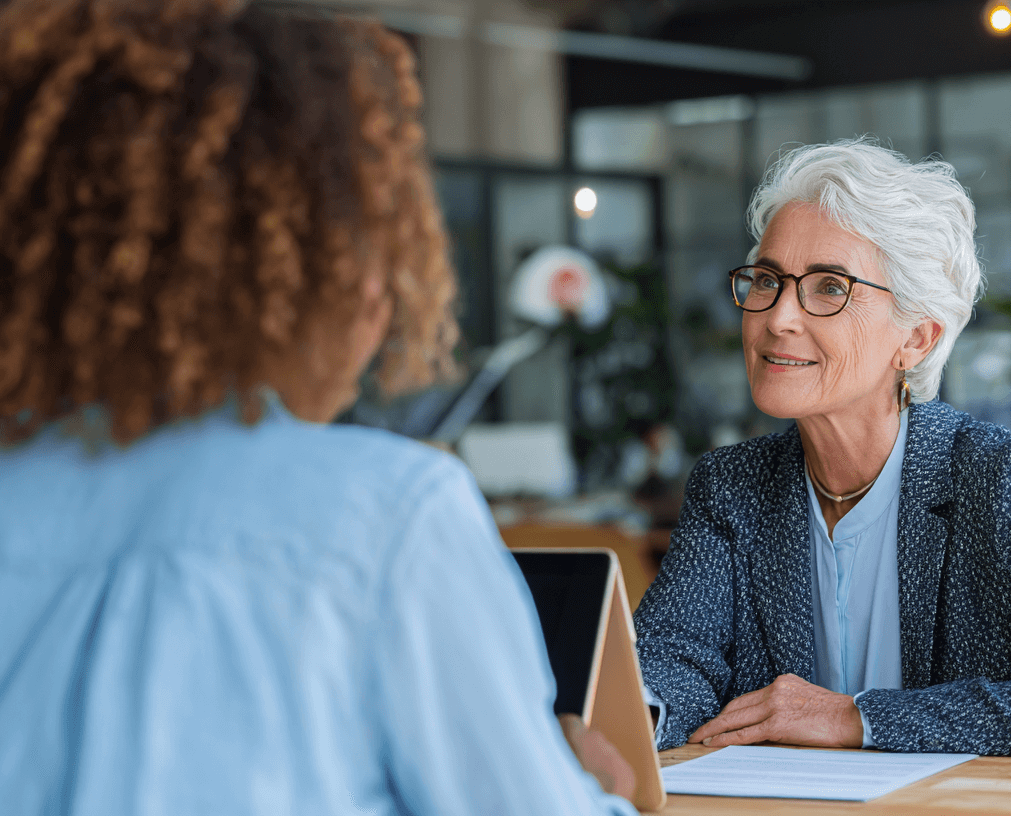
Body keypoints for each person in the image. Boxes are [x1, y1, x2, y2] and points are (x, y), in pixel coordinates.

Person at [0, 1, 635, 813]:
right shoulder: (391, 514)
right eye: (367, 244)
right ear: (294, 266)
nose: (384, 297)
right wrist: (587, 789)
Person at [634, 139, 1011, 757]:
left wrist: (856, 719)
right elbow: (675, 665)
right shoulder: (731, 486)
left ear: (915, 338)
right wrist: (628, 712)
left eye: (829, 288)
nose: (777, 318)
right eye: (769, 280)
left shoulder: (1001, 479)